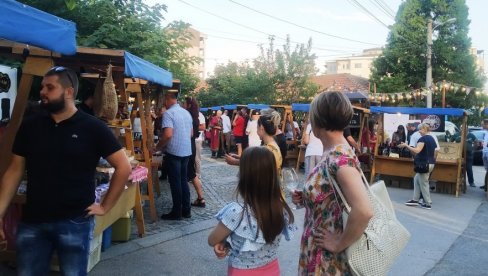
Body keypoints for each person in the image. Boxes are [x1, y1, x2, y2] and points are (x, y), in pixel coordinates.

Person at [0, 66, 131, 275]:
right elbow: (15, 170)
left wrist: (105, 206)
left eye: (49, 87)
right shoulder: (30, 126)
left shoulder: (93, 127)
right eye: (42, 86)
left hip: (75, 222)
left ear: (68, 92)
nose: (42, 91)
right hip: (33, 220)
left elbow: (123, 167)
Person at [292, 91, 373, 275]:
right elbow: (333, 197)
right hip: (319, 252)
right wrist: (306, 197)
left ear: (317, 120)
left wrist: (338, 243)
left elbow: (364, 210)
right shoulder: (333, 152)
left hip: (327, 261)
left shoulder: (339, 159)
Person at [208, 147, 296, 275]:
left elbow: (212, 240)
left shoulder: (237, 212)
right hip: (272, 269)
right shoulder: (281, 208)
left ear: (244, 178)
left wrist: (223, 243)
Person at [157, 90, 193, 220]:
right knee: (183, 180)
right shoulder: (186, 113)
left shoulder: (169, 113)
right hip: (186, 151)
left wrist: (158, 147)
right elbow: (190, 134)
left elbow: (167, 134)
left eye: (164, 99)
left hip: (174, 152)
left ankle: (177, 212)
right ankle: (186, 210)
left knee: (175, 182)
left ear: (168, 98)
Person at [225, 109, 282, 175]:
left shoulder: (268, 149)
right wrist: (240, 157)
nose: (257, 131)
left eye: (257, 128)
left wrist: (234, 162)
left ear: (261, 128)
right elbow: (257, 159)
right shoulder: (271, 145)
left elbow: (256, 164)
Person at [399, 123, 437, 210]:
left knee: (423, 183)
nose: (419, 131)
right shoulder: (432, 138)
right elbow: (435, 151)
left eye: (420, 129)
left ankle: (427, 203)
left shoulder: (422, 139)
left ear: (424, 129)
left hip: (424, 164)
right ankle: (415, 199)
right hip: (431, 163)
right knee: (416, 179)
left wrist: (406, 145)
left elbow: (417, 150)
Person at [183, 97, 206, 208]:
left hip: (188, 146)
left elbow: (190, 133)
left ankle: (199, 199)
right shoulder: (195, 117)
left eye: (184, 103)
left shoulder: (188, 116)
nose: (182, 104)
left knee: (189, 173)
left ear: (189, 105)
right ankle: (200, 198)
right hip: (191, 145)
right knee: (191, 173)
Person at [195, 110, 206, 177]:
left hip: (197, 139)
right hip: (193, 139)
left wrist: (192, 127)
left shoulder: (200, 115)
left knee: (197, 158)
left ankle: (198, 174)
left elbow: (203, 127)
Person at [481, 119, 488, 191]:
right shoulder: (486, 133)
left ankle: (486, 186)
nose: (482, 125)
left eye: (483, 124)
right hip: (485, 152)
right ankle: (486, 185)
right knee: (487, 169)